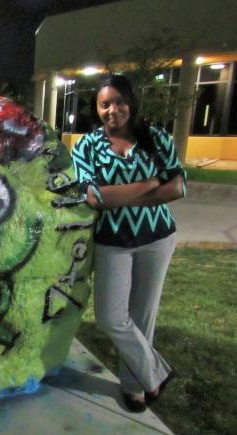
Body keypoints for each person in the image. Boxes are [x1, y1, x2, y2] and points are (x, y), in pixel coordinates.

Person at [71, 74, 185, 413]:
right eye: (104, 104)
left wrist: (118, 198)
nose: (112, 110)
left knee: (142, 315)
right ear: (97, 108)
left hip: (157, 238)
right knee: (110, 317)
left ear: (131, 103)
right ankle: (157, 373)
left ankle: (135, 386)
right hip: (112, 241)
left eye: (119, 101)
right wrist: (149, 185)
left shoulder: (156, 137)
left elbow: (177, 187)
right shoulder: (87, 145)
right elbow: (92, 196)